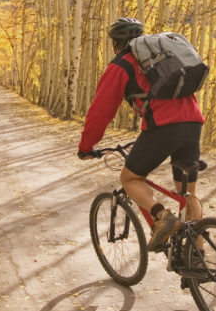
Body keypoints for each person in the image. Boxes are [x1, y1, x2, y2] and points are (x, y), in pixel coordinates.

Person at [78, 17, 205, 251]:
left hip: (163, 127)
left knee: (129, 178)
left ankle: (162, 217)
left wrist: (86, 146)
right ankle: (197, 259)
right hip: (194, 123)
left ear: (116, 43)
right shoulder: (162, 58)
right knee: (188, 194)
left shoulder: (122, 65)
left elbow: (100, 111)